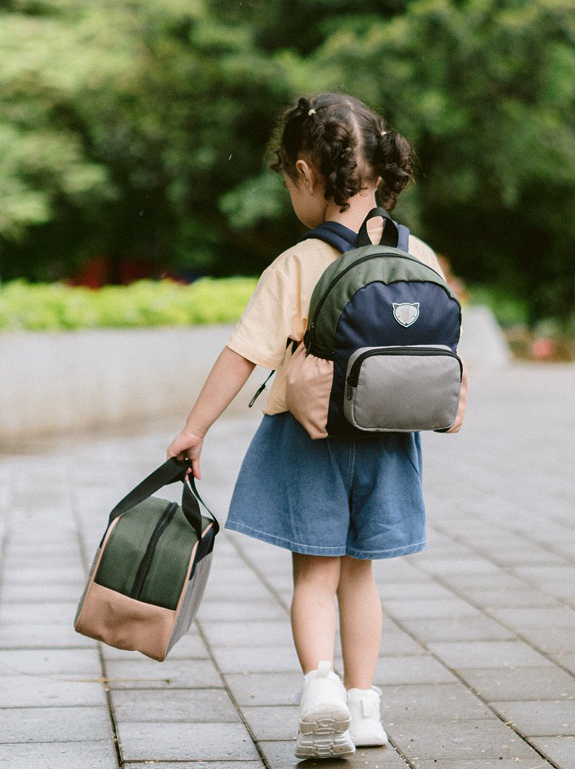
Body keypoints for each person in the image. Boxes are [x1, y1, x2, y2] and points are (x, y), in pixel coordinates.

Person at [167, 92, 446, 760]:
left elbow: (242, 354)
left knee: (315, 577)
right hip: (389, 440)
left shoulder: (297, 262)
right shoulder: (420, 255)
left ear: (305, 172)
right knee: (361, 577)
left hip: (310, 439)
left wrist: (194, 428)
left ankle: (320, 688)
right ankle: (364, 704)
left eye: (290, 183)